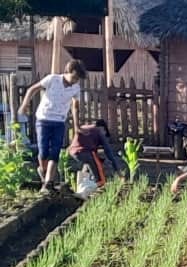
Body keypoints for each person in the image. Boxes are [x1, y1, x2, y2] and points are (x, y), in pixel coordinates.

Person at [18, 59, 87, 193]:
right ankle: (43, 171)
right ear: (69, 72)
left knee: (55, 152)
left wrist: (77, 125)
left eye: (78, 79)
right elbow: (33, 89)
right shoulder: (52, 79)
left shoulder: (76, 88)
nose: (75, 81)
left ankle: (48, 183)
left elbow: (75, 106)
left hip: (60, 122)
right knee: (43, 152)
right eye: (75, 77)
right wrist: (24, 104)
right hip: (43, 120)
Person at [68, 119, 125, 198]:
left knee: (87, 167)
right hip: (86, 152)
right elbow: (108, 152)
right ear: (103, 129)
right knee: (100, 179)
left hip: (73, 152)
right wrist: (118, 171)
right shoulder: (99, 131)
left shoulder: (85, 127)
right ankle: (92, 195)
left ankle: (81, 191)